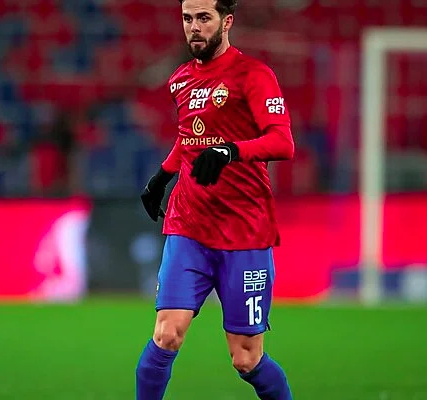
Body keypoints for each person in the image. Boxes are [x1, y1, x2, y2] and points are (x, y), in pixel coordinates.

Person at [135, 0, 295, 399]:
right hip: (189, 226)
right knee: (166, 334)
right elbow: (190, 138)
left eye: (204, 18)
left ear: (227, 22)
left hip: (245, 230)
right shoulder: (180, 80)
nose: (194, 27)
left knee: (246, 358)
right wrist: (163, 176)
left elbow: (282, 142)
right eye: (187, 18)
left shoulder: (254, 75)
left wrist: (230, 151)